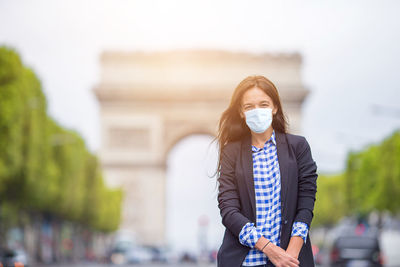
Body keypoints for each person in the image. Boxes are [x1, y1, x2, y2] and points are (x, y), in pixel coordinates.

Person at [215, 75, 318, 267]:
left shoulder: (298, 147)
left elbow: (306, 203)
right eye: (249, 107)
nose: (257, 111)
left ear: (275, 107)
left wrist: (289, 257)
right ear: (241, 112)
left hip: (289, 259)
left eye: (263, 104)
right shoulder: (231, 152)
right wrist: (270, 249)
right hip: (244, 261)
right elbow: (228, 210)